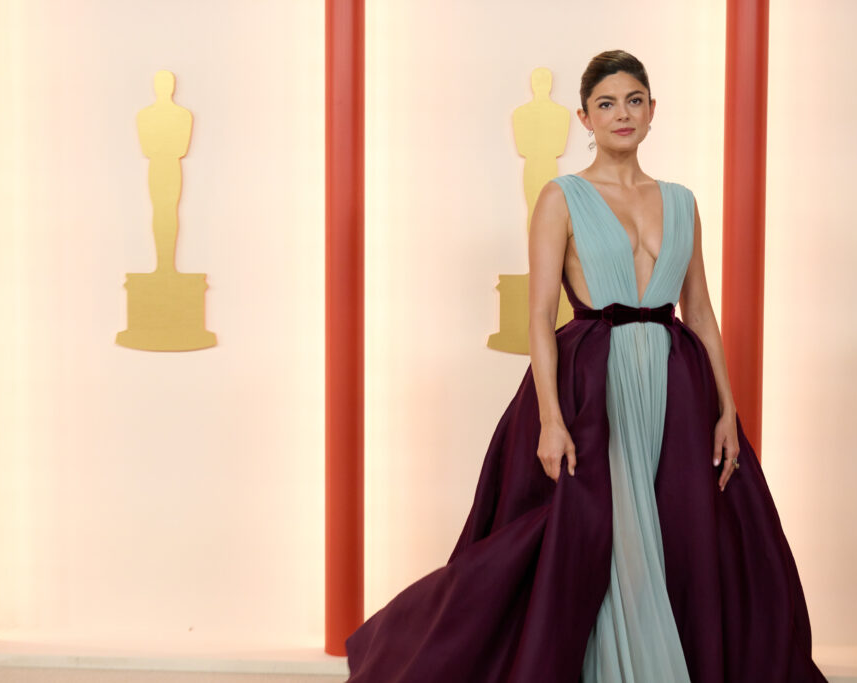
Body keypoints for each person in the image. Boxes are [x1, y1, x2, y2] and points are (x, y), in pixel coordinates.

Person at [345, 50, 828, 683]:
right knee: (597, 532)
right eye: (606, 104)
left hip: (678, 388)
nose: (622, 114)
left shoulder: (682, 201)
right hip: (591, 388)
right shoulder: (561, 198)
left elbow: (702, 312)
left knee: (684, 532)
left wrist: (727, 410)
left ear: (652, 111)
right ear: (585, 119)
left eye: (634, 101)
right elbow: (540, 315)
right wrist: (550, 418)